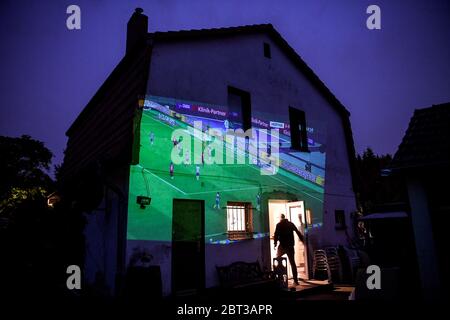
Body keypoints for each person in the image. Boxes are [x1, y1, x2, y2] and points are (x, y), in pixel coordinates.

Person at [274, 214, 304, 285]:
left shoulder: (279, 225)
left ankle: (279, 278)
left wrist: (275, 243)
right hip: (290, 246)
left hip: (282, 246)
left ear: (281, 218)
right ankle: (296, 281)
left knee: (277, 260)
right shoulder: (290, 224)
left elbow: (276, 234)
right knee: (292, 263)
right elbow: (297, 231)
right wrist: (302, 239)